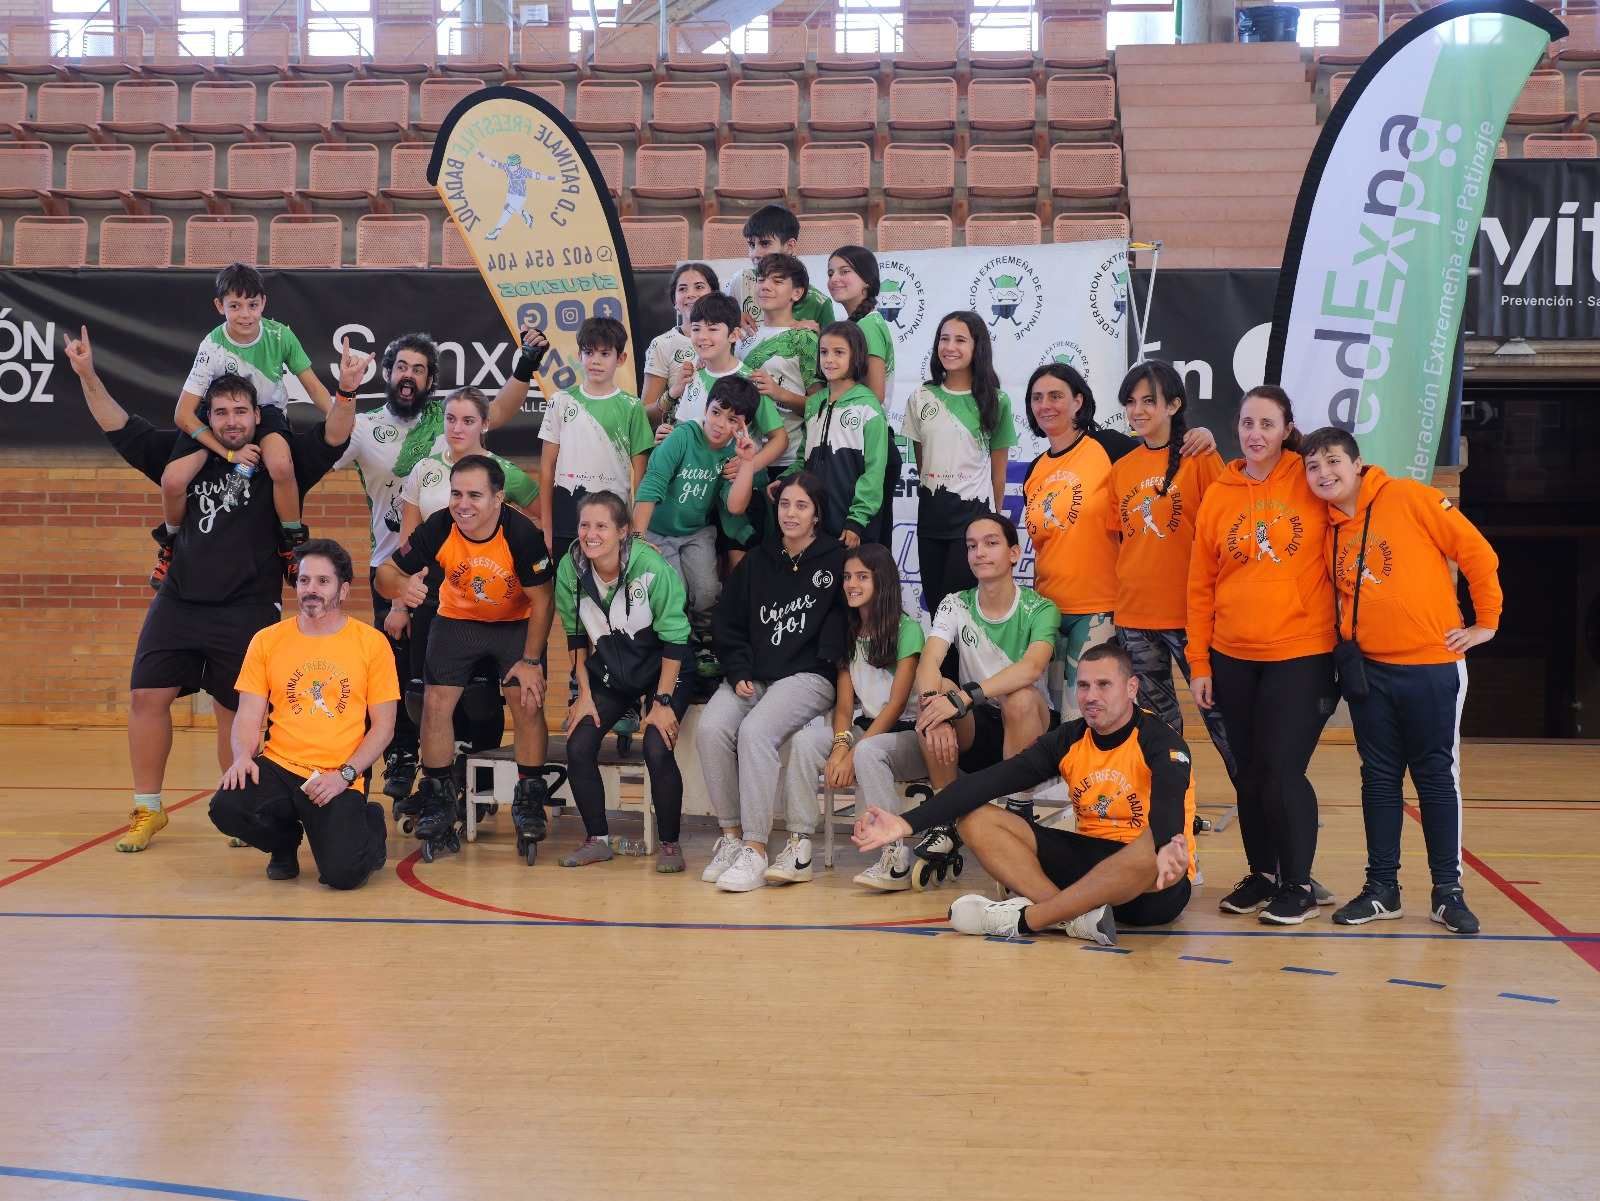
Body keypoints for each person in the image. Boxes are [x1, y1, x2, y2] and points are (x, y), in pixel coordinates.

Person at [63, 326, 361, 853]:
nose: (230, 421)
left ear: (256, 416)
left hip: (247, 607)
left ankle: (243, 810)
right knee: (145, 696)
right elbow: (119, 425)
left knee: (236, 710)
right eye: (220, 412)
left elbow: (334, 436)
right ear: (208, 417)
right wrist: (87, 374)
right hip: (178, 601)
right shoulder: (183, 455)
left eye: (240, 412)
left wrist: (347, 391)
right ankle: (147, 809)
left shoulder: (277, 458)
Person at [853, 642, 1195, 946]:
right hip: (1086, 868)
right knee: (975, 818)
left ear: (1131, 688)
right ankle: (1073, 918)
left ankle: (1028, 919)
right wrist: (904, 823)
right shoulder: (1069, 739)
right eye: (1085, 686)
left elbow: (1169, 802)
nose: (1092, 696)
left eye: (1104, 685)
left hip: (1153, 883)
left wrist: (1166, 846)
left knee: (1153, 847)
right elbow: (988, 782)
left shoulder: (1161, 740)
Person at [1304, 428, 1502, 934]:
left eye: (1332, 462)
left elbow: (1478, 554)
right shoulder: (1327, 529)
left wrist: (1486, 624)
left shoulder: (1409, 498)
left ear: (1357, 463)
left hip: (1432, 667)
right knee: (1379, 780)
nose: (1324, 474)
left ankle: (1447, 892)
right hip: (1370, 673)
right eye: (1313, 467)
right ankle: (1381, 890)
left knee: (1436, 778)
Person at [1188, 386, 1337, 926]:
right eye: (1248, 423)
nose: (1255, 435)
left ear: (1286, 428)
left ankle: (1298, 883)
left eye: (1267, 425)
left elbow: (1357, 493)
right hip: (1232, 655)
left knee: (1282, 770)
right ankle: (1262, 874)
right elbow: (1200, 586)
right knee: (1249, 773)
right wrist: (1199, 663)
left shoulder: (1307, 477)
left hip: (1301, 653)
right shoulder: (1221, 494)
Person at [376, 456, 556, 860]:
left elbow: (544, 601)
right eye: (457, 493)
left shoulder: (522, 534)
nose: (463, 504)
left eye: (475, 495)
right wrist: (403, 587)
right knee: (435, 703)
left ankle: (528, 798)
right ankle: (439, 799)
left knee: (525, 700)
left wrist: (530, 661)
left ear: (498, 499)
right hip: (458, 621)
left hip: (515, 622)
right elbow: (383, 574)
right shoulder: (438, 526)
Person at [1022, 362, 1214, 723]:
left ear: (1079, 401)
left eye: (1056, 396)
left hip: (1104, 608)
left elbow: (1162, 447)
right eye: (1037, 397)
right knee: (1058, 718)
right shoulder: (1034, 469)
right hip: (1050, 609)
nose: (1045, 404)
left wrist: (1201, 433)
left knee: (1088, 716)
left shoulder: (1110, 446)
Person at [209, 539, 397, 888]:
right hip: (281, 765)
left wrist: (345, 775)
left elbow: (384, 726)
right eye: (305, 580)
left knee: (344, 876)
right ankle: (284, 844)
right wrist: (241, 757)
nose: (311, 589)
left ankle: (369, 822)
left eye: (323, 582)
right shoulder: (267, 641)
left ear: (342, 591)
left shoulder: (371, 644)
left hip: (338, 774)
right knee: (227, 806)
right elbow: (248, 714)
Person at [697, 473, 846, 893]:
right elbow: (728, 624)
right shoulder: (758, 561)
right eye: (785, 505)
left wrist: (824, 662)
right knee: (711, 729)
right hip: (755, 676)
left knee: (755, 732)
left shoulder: (835, 560)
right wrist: (739, 669)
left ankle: (756, 849)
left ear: (817, 513)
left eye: (801, 505)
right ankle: (730, 836)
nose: (791, 513)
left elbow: (846, 624)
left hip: (808, 676)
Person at [389, 386, 539, 801]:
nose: (457, 427)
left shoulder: (503, 472)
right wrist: (401, 600)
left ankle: (483, 790)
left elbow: (538, 525)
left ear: (485, 424)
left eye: (468, 420)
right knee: (427, 696)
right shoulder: (425, 469)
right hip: (436, 601)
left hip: (493, 603)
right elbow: (407, 543)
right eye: (451, 418)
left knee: (483, 698)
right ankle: (437, 786)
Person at [155, 263, 333, 588]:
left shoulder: (281, 335)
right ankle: (170, 545)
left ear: (263, 303)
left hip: (266, 412)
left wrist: (344, 420)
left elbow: (314, 387)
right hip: (221, 418)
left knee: (281, 465)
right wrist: (227, 453)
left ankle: (290, 542)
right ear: (219, 306)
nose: (245, 314)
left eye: (252, 305)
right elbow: (183, 414)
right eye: (234, 306)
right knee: (172, 481)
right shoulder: (211, 346)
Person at [331, 331, 446, 800]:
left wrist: (524, 367)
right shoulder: (364, 426)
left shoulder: (448, 420)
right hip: (390, 567)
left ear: (430, 379)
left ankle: (445, 764)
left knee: (440, 668)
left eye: (419, 370)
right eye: (402, 367)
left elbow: (494, 418)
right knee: (395, 668)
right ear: (388, 373)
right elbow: (329, 444)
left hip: (448, 568)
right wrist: (344, 391)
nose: (409, 377)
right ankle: (399, 752)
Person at [555, 492, 694, 873]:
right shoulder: (571, 568)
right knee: (579, 742)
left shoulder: (651, 567)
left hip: (665, 667)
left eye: (601, 526)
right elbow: (575, 637)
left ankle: (669, 844)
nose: (590, 534)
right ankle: (596, 839)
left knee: (656, 745)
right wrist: (583, 693)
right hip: (612, 671)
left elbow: (677, 638)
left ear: (623, 531)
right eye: (585, 525)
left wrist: (662, 701)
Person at [1108, 360, 1234, 778]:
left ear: (1174, 405)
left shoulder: (1199, 457)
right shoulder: (1122, 469)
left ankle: (1260, 805)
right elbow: (1121, 539)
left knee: (1222, 719)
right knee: (1158, 724)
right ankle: (1174, 805)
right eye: (1131, 402)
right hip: (1135, 616)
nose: (1137, 410)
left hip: (1191, 616)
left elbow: (1225, 527)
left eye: (1149, 401)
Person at [784, 543, 927, 890]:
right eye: (848, 576)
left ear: (883, 582)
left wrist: (852, 752)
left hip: (909, 736)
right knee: (804, 741)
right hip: (868, 731)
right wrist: (839, 746)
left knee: (867, 751)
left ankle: (895, 857)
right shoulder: (849, 632)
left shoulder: (907, 630)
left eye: (862, 576)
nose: (851, 584)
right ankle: (799, 846)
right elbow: (845, 707)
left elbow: (895, 706)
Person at [914, 512, 1058, 804]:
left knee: (1020, 697)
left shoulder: (1041, 607)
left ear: (1014, 553)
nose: (979, 553)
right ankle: (945, 819)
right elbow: (929, 661)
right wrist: (936, 710)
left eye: (990, 543)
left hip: (1030, 726)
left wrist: (966, 696)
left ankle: (1019, 808)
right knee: (935, 693)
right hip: (977, 726)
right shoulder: (955, 603)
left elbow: (1031, 668)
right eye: (971, 546)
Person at [633, 375, 763, 680]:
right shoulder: (682, 437)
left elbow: (735, 506)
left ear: (744, 426)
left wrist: (746, 464)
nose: (720, 424)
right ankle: (682, 644)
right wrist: (638, 537)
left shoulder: (734, 452)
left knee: (706, 591)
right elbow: (651, 484)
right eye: (716, 412)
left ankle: (705, 640)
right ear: (706, 408)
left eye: (732, 420)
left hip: (696, 532)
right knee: (675, 590)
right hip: (658, 531)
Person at [904, 311, 1015, 616]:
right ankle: (940, 667)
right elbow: (923, 463)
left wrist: (993, 526)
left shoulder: (996, 400)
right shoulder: (920, 397)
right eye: (944, 338)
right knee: (938, 610)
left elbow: (999, 475)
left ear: (977, 347)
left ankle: (955, 666)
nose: (950, 347)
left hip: (973, 521)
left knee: (961, 613)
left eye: (960, 340)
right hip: (930, 519)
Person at [533, 317, 654, 562]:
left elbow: (642, 475)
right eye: (589, 352)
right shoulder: (560, 401)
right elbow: (546, 469)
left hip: (613, 518)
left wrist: (636, 530)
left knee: (610, 592)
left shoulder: (632, 407)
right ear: (579, 355)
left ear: (621, 359)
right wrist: (547, 528)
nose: (595, 360)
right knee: (566, 593)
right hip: (566, 516)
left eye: (605, 353)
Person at [783, 320, 893, 550]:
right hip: (816, 525)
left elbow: (874, 472)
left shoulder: (868, 407)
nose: (829, 359)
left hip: (852, 527)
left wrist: (857, 520)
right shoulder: (814, 404)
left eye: (839, 352)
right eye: (824, 352)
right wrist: (785, 481)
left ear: (856, 356)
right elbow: (806, 459)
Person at [738, 252, 822, 470]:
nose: (765, 286)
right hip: (741, 456)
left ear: (797, 292)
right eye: (761, 279)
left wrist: (778, 393)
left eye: (777, 281)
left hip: (790, 460)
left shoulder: (805, 338)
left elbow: (821, 406)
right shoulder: (739, 335)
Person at [727, 203, 836, 334]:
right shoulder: (739, 281)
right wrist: (729, 318)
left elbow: (832, 348)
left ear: (790, 246)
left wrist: (818, 338)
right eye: (751, 244)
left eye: (765, 243)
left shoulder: (819, 303)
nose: (755, 254)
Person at [642, 262, 718, 425]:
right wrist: (673, 393)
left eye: (699, 287)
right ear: (675, 302)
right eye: (682, 289)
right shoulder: (662, 344)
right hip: (678, 443)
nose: (690, 294)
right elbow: (644, 416)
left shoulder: (733, 338)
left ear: (714, 294)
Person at [825, 245, 894, 407]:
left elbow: (876, 395)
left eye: (844, 271)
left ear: (867, 281)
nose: (834, 279)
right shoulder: (861, 323)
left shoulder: (868, 325)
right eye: (830, 273)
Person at [474, 148, 558, 240]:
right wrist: (481, 155)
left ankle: (496, 231)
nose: (510, 168)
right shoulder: (507, 167)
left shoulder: (524, 171)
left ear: (518, 164)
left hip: (520, 195)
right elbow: (494, 163)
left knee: (508, 210)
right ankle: (526, 215)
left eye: (512, 166)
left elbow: (538, 176)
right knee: (512, 209)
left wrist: (552, 178)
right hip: (510, 194)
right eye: (509, 165)